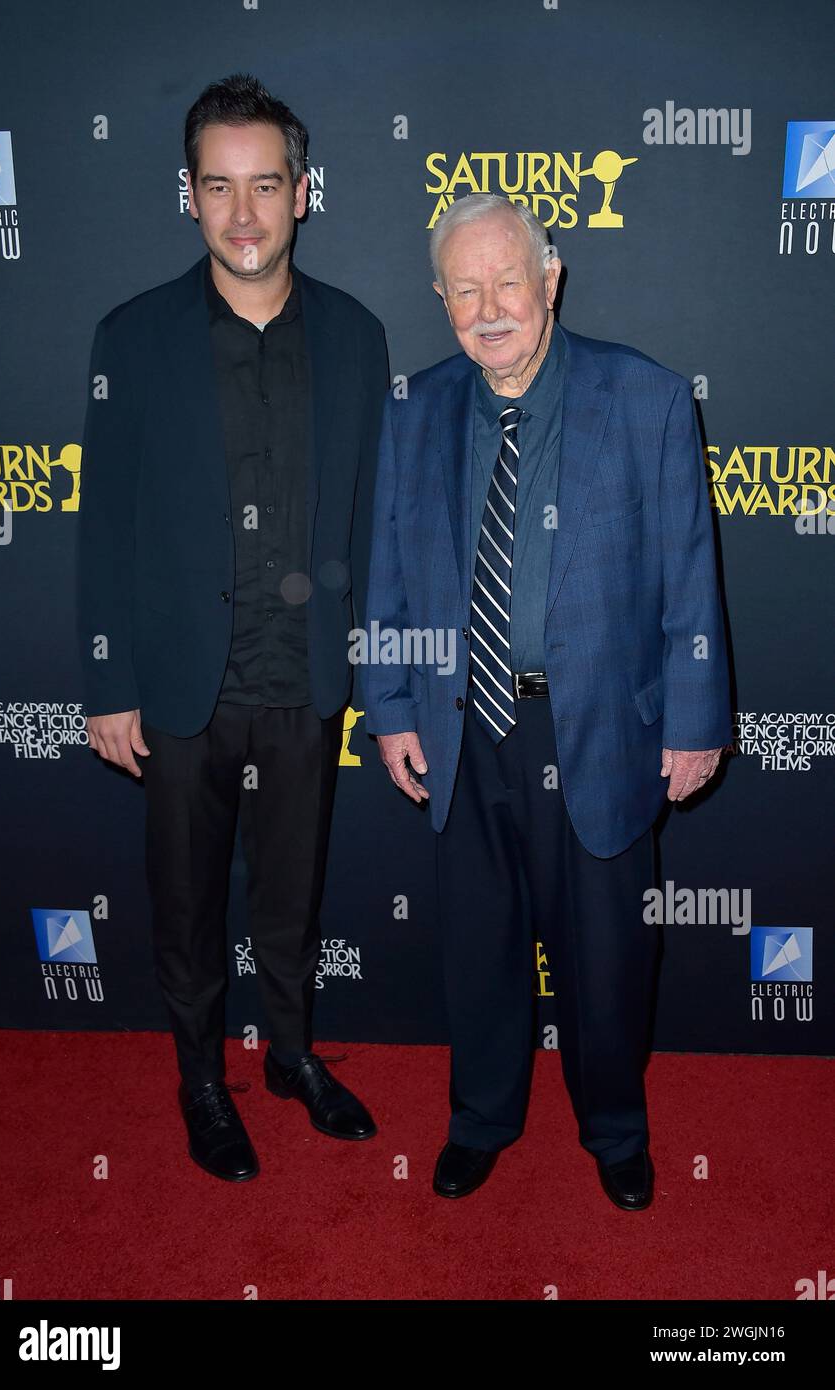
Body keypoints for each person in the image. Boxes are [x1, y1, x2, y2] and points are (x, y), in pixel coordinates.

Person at [363, 193, 732, 1207]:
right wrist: (389, 705)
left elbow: (686, 569)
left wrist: (695, 721)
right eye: (464, 289)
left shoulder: (646, 397)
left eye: (507, 283)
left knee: (605, 955)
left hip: (602, 725)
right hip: (465, 722)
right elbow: (388, 569)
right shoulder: (414, 407)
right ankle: (479, 1119)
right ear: (440, 298)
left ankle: (613, 1129)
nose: (489, 309)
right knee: (478, 946)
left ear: (550, 280)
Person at [77, 73, 388, 1182]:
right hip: (177, 682)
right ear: (189, 195)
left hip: (304, 678)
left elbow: (373, 518)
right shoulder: (133, 337)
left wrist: (381, 675)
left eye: (266, 185)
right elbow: (103, 518)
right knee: (186, 904)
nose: (244, 214)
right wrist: (107, 681)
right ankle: (201, 1079)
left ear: (303, 193)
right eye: (220, 187)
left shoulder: (356, 337)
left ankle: (292, 1056)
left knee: (292, 896)